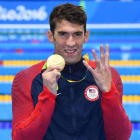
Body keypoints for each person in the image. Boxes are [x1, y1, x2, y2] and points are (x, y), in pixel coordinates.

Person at [11, 3, 132, 140]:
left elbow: (121, 137)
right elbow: (21, 138)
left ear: (86, 36)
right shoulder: (27, 78)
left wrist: (109, 93)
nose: (70, 43)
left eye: (77, 34)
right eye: (63, 34)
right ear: (51, 36)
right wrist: (48, 96)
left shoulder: (107, 75)